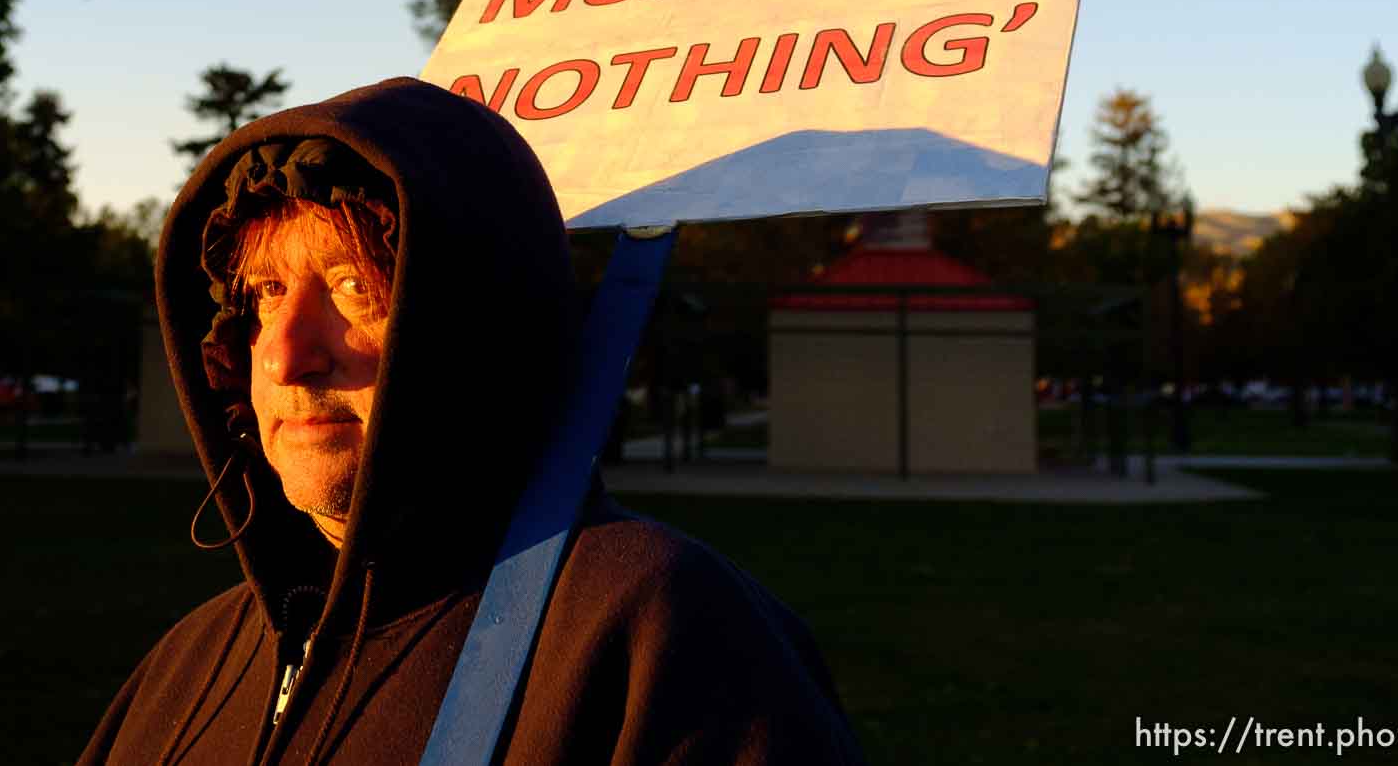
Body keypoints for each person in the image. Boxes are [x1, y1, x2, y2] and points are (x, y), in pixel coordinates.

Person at [79, 78, 865, 765]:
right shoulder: (190, 663)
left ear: (474, 325)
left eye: (354, 287)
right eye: (263, 294)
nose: (285, 358)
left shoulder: (657, 634)